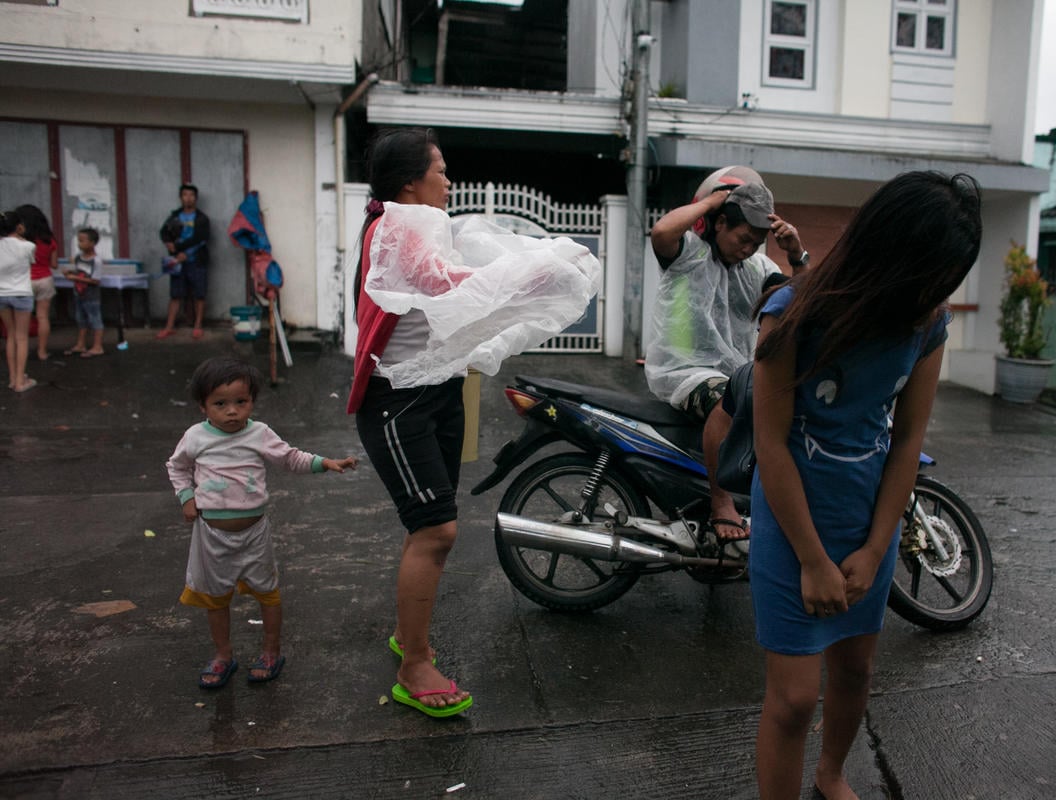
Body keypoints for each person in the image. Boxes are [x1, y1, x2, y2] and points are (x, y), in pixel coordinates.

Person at [348, 127, 597, 718]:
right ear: (411, 182)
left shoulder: (411, 224)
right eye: (441, 170)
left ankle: (408, 634)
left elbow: (448, 284)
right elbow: (449, 289)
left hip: (437, 392)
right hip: (399, 402)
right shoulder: (399, 225)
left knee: (432, 525)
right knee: (436, 530)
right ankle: (414, 664)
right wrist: (538, 275)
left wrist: (529, 274)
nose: (449, 180)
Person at [750, 171, 982, 799]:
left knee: (855, 671)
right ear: (889, 255)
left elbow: (906, 441)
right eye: (928, 275)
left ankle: (830, 775)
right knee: (795, 699)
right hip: (792, 523)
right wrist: (813, 560)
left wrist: (877, 549)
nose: (934, 293)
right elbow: (770, 444)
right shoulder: (791, 314)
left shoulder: (926, 323)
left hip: (869, 523)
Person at [167, 356, 357, 688]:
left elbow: (289, 457)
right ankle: (223, 655)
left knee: (267, 593)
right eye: (220, 403)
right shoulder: (195, 437)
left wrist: (325, 463)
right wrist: (187, 497)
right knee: (214, 598)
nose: (232, 411)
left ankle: (271, 651)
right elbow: (177, 466)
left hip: (254, 533)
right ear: (203, 406)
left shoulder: (259, 433)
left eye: (241, 402)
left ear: (252, 401)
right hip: (210, 533)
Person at [644, 177, 807, 541]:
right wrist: (710, 203)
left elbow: (803, 298)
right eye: (743, 238)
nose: (748, 248)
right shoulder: (689, 253)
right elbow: (661, 231)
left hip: (736, 371)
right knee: (730, 399)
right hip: (683, 371)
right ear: (721, 224)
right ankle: (721, 501)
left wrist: (796, 256)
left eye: (756, 242)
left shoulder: (759, 269)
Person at [156, 183, 211, 340]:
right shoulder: (175, 216)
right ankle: (169, 327)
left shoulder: (201, 219)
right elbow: (164, 233)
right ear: (180, 198)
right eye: (185, 195)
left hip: (196, 261)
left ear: (196, 198)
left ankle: (198, 326)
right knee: (175, 295)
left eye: (191, 195)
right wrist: (169, 244)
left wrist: (187, 253)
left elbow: (202, 239)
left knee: (199, 295)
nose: (188, 198)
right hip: (177, 261)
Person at [14, 205, 57, 362]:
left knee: (20, 320)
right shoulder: (50, 240)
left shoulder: (19, 241)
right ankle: (42, 351)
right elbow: (54, 264)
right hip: (45, 280)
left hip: (24, 281)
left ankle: (20, 351)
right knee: (43, 317)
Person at [0, 210, 37, 392]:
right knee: (22, 338)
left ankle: (13, 378)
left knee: (10, 336)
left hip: (1, 294)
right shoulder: (28, 246)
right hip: (22, 293)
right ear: (19, 226)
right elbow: (31, 261)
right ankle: (20, 382)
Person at [62, 227, 105, 357]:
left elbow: (96, 280)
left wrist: (74, 278)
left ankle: (98, 346)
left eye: (82, 241)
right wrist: (69, 273)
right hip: (79, 293)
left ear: (92, 243)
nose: (79, 244)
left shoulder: (96, 261)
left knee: (95, 319)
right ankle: (80, 344)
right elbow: (78, 272)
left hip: (91, 296)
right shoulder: (78, 258)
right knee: (81, 319)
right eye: (78, 240)